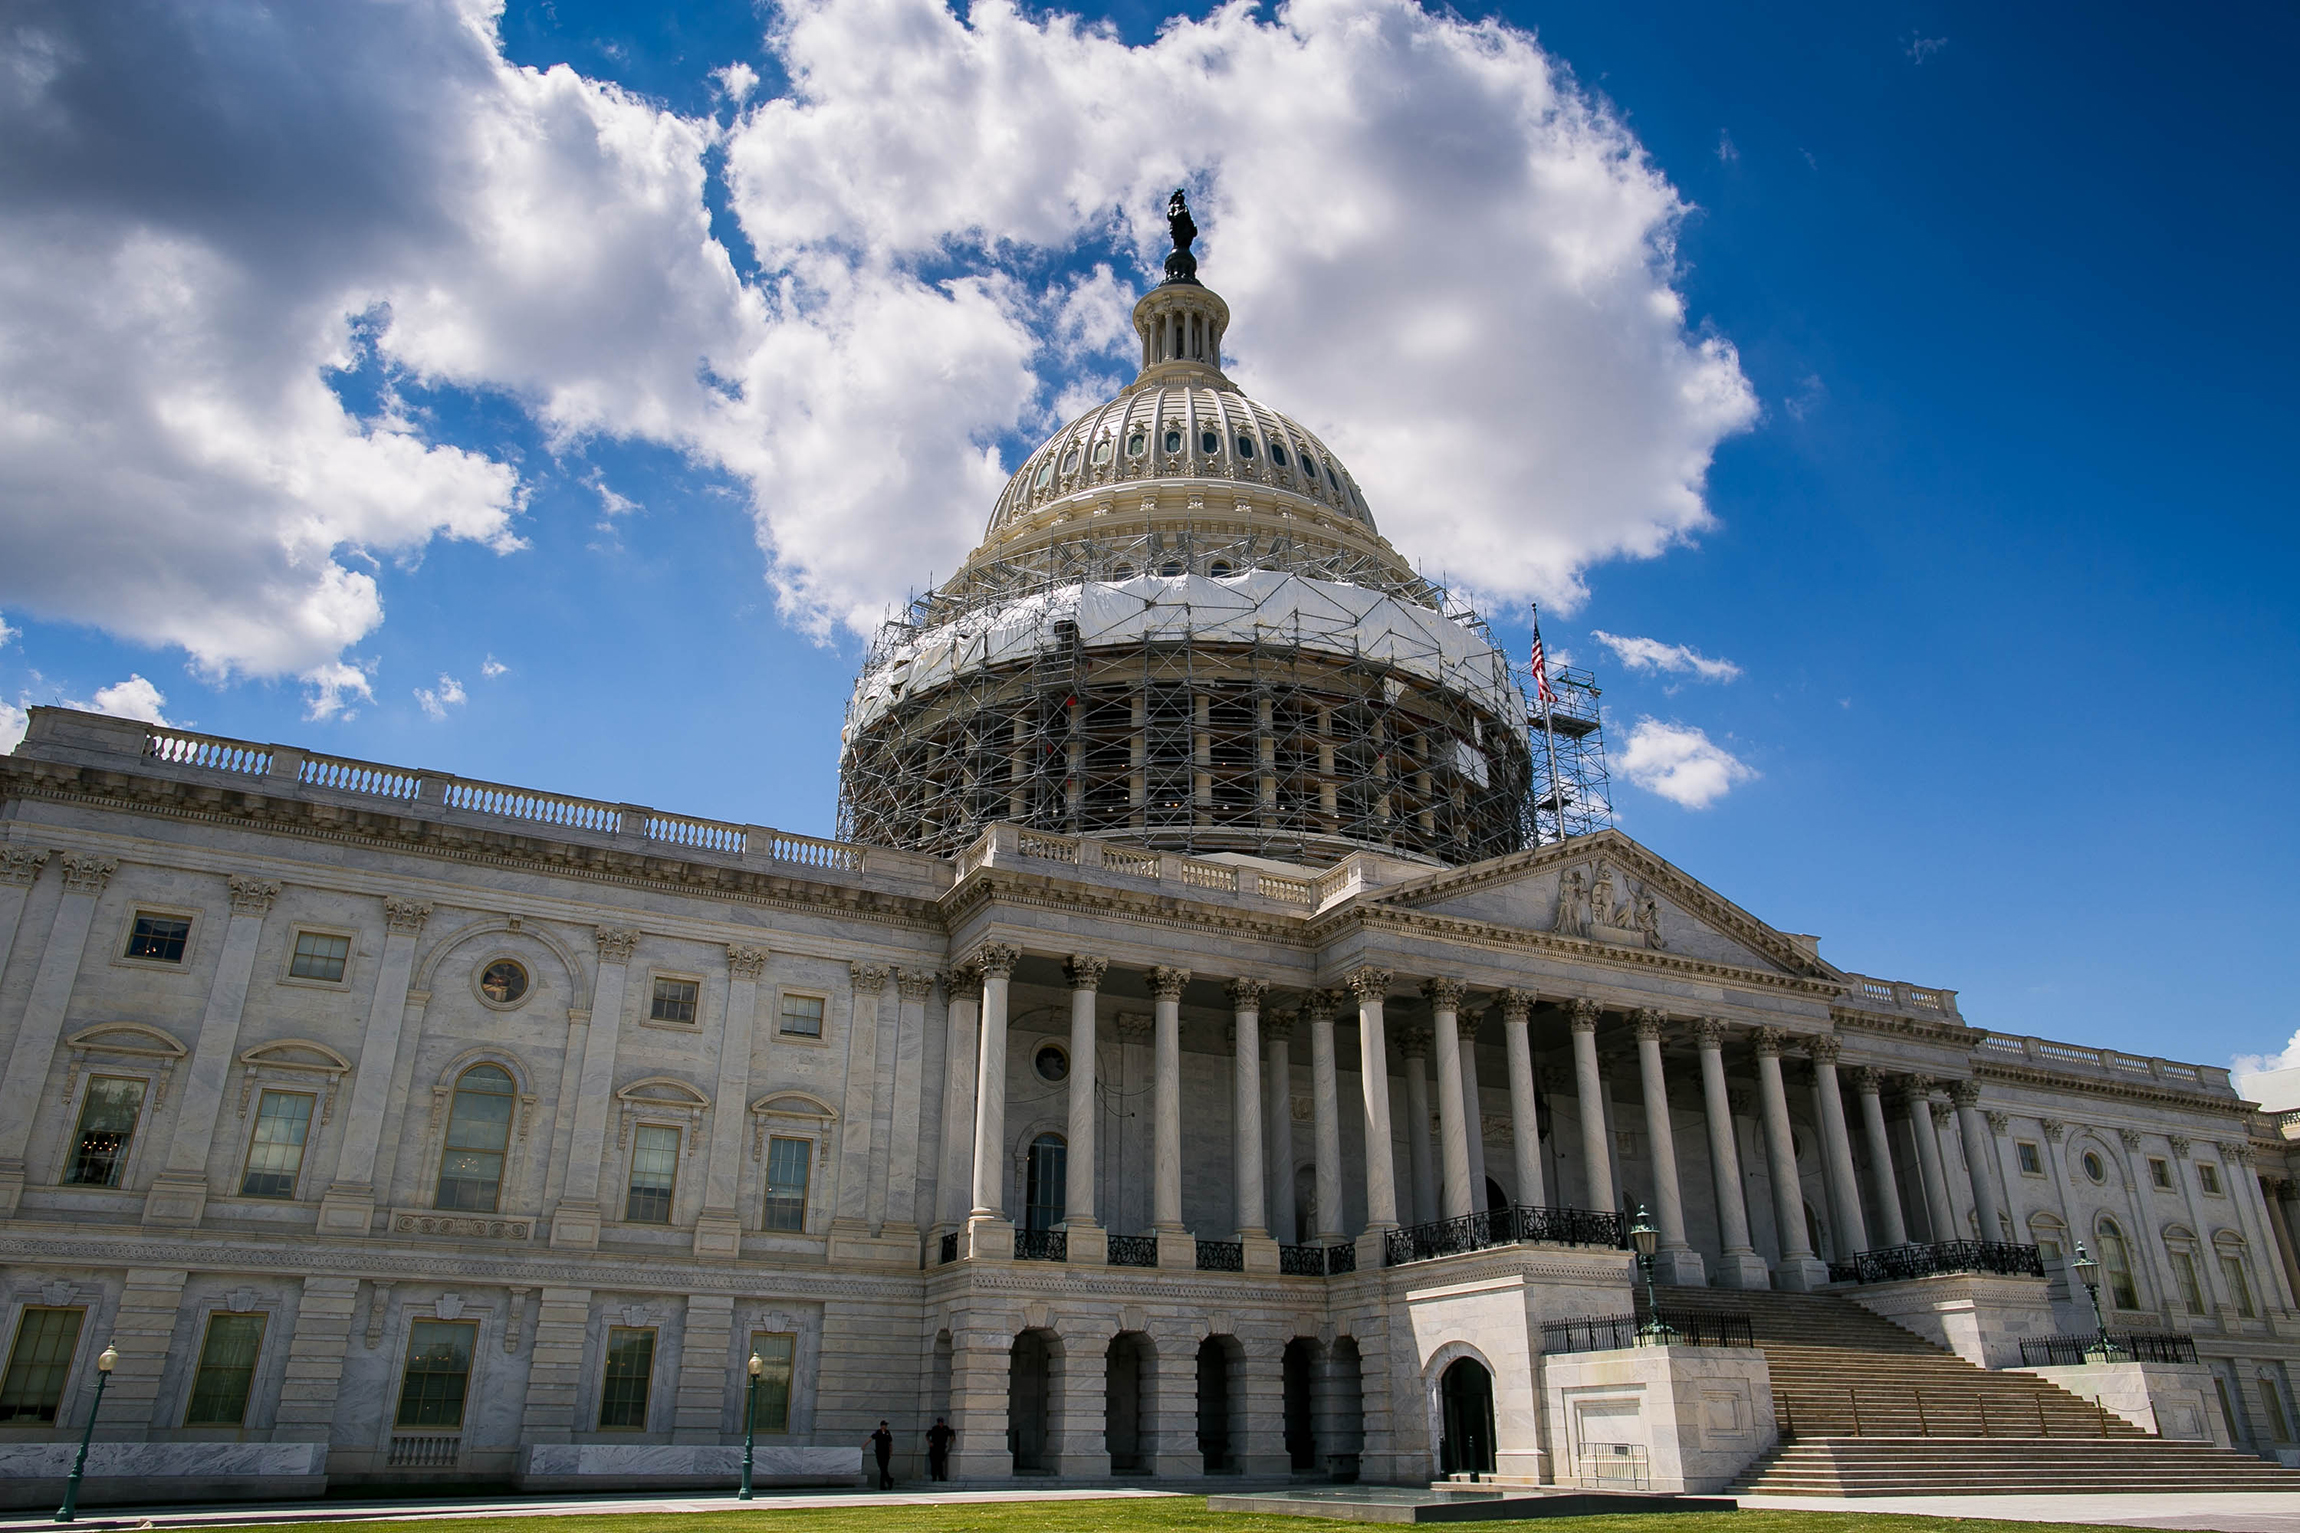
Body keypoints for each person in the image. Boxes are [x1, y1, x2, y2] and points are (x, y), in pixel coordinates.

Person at [926, 1415, 955, 1481]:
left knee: (940, 1464)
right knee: (934, 1463)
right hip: (934, 1449)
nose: (941, 1423)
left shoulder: (945, 1428)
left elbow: (951, 1433)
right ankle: (934, 1477)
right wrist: (929, 1443)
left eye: (941, 1422)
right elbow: (927, 1435)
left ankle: (941, 1477)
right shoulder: (935, 1428)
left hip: (941, 1449)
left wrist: (952, 1438)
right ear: (938, 1423)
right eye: (939, 1422)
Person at [869, 1420, 895, 1489]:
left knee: (884, 1469)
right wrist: (864, 1445)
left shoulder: (887, 1432)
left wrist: (890, 1452)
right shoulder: (877, 1432)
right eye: (884, 1425)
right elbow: (870, 1438)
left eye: (886, 1425)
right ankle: (889, 1480)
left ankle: (882, 1485)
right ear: (881, 1426)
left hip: (886, 1453)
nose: (885, 1426)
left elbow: (890, 1443)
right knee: (882, 1469)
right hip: (879, 1453)